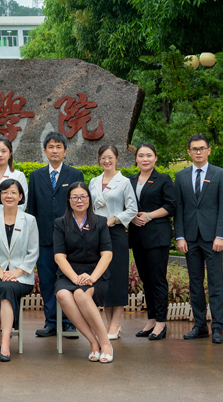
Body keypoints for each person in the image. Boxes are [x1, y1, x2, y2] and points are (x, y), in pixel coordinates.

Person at [26, 132, 84, 337]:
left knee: (69, 279)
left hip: (69, 239)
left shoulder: (75, 175)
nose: (55, 150)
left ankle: (69, 321)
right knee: (47, 280)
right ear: (44, 151)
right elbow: (31, 211)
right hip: (42, 239)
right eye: (50, 147)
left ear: (65, 151)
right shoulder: (35, 176)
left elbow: (81, 206)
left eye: (59, 147)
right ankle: (51, 321)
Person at [174, 134, 223, 344]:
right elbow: (179, 208)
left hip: (212, 239)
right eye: (194, 149)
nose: (198, 152)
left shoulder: (220, 174)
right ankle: (199, 326)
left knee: (215, 284)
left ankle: (217, 328)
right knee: (195, 283)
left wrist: (220, 235)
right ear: (189, 152)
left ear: (208, 150)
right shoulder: (181, 177)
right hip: (190, 238)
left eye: (202, 148)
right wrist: (179, 236)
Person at [54, 182, 114, 363]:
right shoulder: (60, 223)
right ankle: (93, 343)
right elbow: (59, 256)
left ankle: (106, 344)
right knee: (63, 294)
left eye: (83, 196)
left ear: (89, 199)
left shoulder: (101, 221)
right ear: (69, 200)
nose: (79, 200)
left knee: (81, 294)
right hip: (69, 273)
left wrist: (93, 277)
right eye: (75, 197)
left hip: (96, 274)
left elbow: (107, 254)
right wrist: (74, 277)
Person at [0, 179, 39, 361]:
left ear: (21, 196)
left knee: (6, 290)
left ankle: (5, 341)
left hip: (21, 276)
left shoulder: (29, 220)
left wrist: (17, 272)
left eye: (13, 192)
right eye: (5, 192)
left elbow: (33, 250)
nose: (9, 196)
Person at [88, 145, 137, 339]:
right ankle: (109, 324)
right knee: (103, 279)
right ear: (99, 160)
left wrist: (114, 219)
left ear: (117, 158)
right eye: (103, 158)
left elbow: (132, 209)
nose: (106, 161)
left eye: (110, 157)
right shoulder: (93, 181)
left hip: (115, 232)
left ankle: (115, 323)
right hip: (97, 234)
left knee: (117, 278)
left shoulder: (124, 182)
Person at [128, 143, 176, 341]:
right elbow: (125, 205)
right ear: (136, 159)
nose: (145, 159)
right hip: (137, 235)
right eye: (141, 155)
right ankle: (151, 319)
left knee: (157, 280)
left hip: (157, 236)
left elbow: (171, 206)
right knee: (146, 280)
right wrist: (131, 217)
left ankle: (161, 323)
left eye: (149, 155)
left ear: (155, 158)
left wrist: (148, 216)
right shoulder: (129, 180)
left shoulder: (163, 179)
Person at [0, 137, 28, 213]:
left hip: (12, 219)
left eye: (4, 151)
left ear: (10, 153)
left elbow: (22, 204)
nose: (0, 155)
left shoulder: (18, 175)